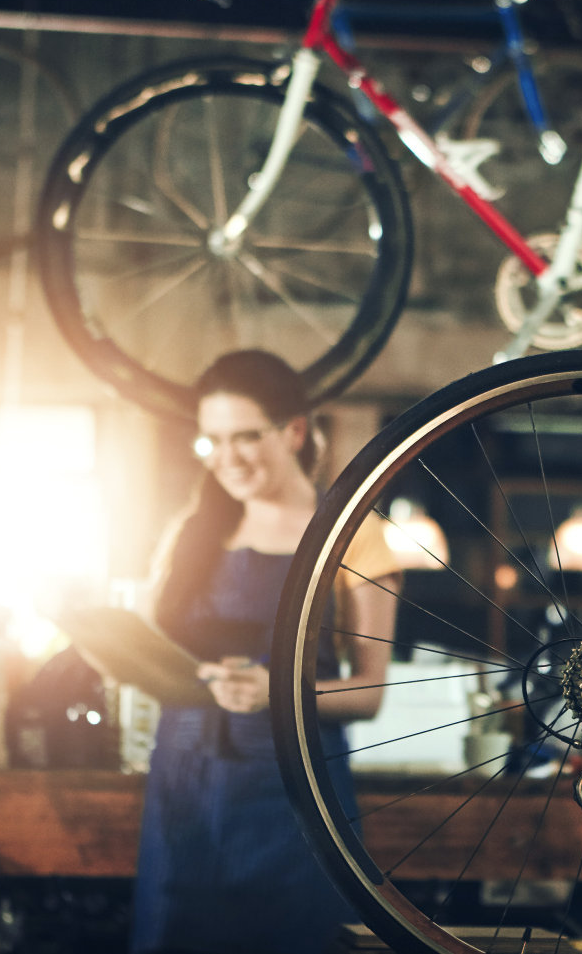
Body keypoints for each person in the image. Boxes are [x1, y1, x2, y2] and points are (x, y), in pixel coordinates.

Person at [131, 350, 400, 954]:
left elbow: (371, 692)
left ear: (294, 431)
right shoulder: (190, 531)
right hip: (185, 789)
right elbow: (150, 651)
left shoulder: (356, 534)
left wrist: (275, 690)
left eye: (246, 436)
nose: (228, 458)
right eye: (213, 440)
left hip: (296, 797)